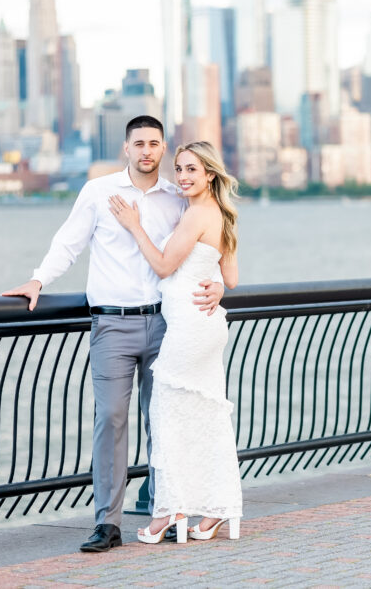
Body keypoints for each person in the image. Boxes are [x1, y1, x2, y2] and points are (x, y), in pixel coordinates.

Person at [1, 115, 225, 553]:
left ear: (164, 149)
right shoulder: (98, 192)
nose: (146, 150)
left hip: (166, 324)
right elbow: (68, 243)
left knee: (164, 421)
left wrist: (216, 281)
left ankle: (169, 512)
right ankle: (108, 523)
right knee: (111, 421)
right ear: (126, 148)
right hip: (111, 325)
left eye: (154, 143)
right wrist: (37, 280)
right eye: (138, 142)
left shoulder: (179, 198)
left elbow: (203, 248)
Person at [106, 140, 242, 544]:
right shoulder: (218, 214)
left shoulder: (198, 213)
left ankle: (170, 511)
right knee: (204, 417)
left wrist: (134, 226)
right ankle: (217, 510)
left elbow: (165, 265)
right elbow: (230, 279)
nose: (182, 177)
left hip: (188, 328)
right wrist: (216, 284)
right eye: (179, 169)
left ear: (210, 176)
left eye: (191, 170)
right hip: (206, 325)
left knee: (166, 417)